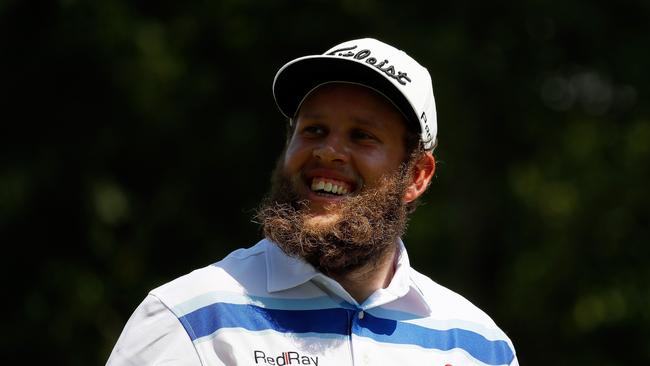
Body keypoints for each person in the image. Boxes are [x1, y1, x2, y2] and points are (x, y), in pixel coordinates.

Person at [107, 38, 518, 366]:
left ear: (416, 176)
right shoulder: (190, 318)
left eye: (362, 136)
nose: (329, 151)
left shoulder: (478, 347)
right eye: (314, 130)